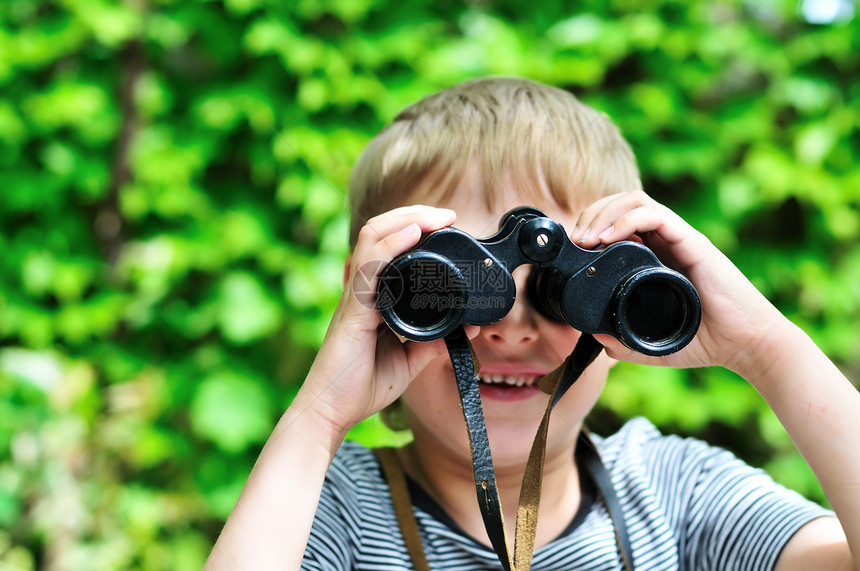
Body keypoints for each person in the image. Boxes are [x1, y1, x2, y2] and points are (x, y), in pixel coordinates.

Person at [204, 77, 859, 570]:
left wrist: (768, 347)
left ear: (626, 295)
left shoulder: (677, 499)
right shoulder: (330, 509)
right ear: (377, 296)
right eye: (457, 285)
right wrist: (318, 415)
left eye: (561, 290)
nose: (512, 328)